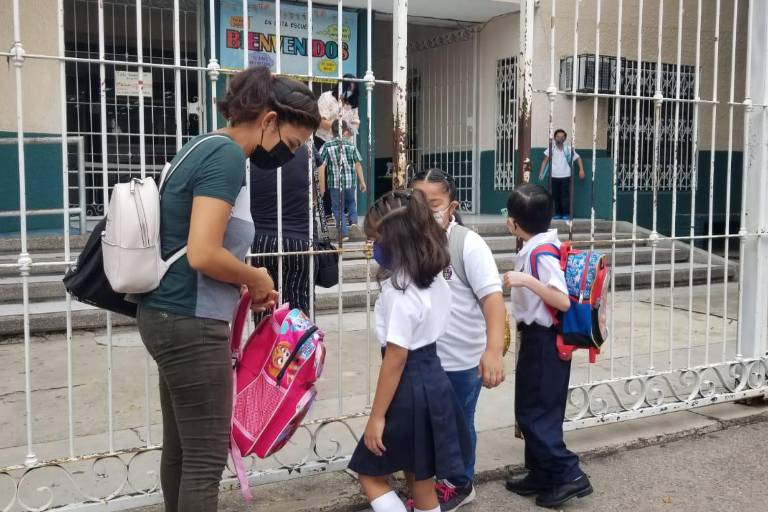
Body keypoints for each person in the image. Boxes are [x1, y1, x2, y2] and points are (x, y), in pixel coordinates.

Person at [135, 66, 320, 512]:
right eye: (291, 144)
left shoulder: (200, 145)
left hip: (171, 315)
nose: (288, 155)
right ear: (270, 120)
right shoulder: (227, 157)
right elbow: (201, 252)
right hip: (191, 322)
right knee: (205, 457)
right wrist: (255, 277)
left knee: (182, 449)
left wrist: (241, 281)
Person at [348, 189, 472, 512]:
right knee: (420, 479)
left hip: (408, 388)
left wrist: (376, 417)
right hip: (434, 380)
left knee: (370, 472)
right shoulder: (436, 280)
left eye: (376, 239)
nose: (372, 247)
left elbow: (396, 357)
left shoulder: (399, 292)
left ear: (395, 240)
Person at [411, 168, 506, 512]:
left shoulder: (467, 244)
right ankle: (435, 480)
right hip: (421, 358)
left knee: (458, 424)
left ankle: (460, 482)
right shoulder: (409, 242)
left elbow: (492, 300)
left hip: (462, 360)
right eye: (416, 202)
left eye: (432, 203)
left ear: (452, 206)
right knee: (428, 423)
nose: (423, 211)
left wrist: (493, 352)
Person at [502, 184, 593, 509]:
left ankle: (569, 474)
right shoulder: (538, 246)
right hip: (540, 339)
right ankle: (540, 472)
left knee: (535, 413)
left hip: (544, 341)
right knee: (537, 408)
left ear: (513, 223)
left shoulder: (541, 254)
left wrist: (525, 280)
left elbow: (562, 302)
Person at [250, 143, 321, 322]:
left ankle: (265, 347)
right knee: (299, 311)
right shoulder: (308, 149)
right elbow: (319, 192)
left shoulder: (252, 150)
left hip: (260, 240)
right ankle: (299, 348)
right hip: (300, 238)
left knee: (265, 309)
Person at [314, 74, 360, 225]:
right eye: (348, 89)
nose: (349, 92)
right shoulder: (327, 98)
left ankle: (345, 214)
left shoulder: (351, 103)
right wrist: (339, 127)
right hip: (325, 141)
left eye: (352, 90)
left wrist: (350, 129)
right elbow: (321, 121)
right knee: (327, 177)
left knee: (344, 178)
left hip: (344, 144)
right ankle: (327, 214)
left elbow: (355, 122)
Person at [318, 120, 367, 242]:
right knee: (351, 202)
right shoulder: (351, 145)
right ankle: (354, 222)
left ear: (331, 131)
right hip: (350, 182)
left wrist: (322, 187)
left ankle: (344, 233)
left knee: (337, 208)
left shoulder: (327, 146)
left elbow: (321, 166)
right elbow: (357, 164)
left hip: (335, 184)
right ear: (345, 131)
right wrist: (362, 181)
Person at [538, 129, 585, 221]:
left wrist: (581, 170)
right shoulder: (551, 148)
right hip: (553, 176)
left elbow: (578, 158)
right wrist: (541, 172)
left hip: (566, 176)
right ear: (555, 138)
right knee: (555, 196)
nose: (560, 138)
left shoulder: (568, 149)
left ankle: (566, 213)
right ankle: (558, 213)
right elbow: (545, 161)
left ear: (565, 138)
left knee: (565, 196)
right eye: (558, 136)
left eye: (562, 137)